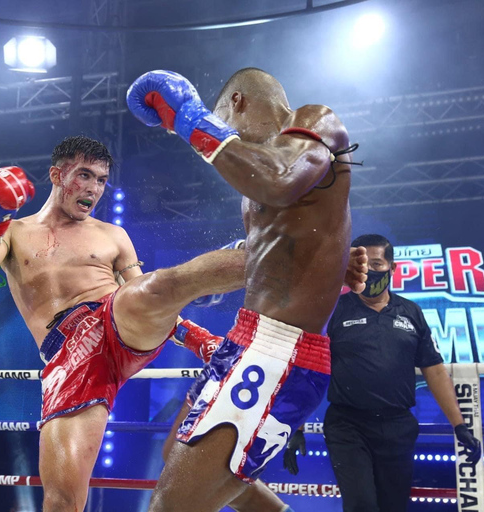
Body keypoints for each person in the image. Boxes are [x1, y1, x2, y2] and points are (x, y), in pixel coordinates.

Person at [0, 135, 250, 512]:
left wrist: (198, 341)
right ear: (57, 175)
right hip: (67, 360)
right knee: (62, 499)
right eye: (85, 175)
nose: (94, 189)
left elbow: (148, 298)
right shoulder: (15, 232)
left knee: (157, 286)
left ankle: (262, 258)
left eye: (101, 180)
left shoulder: (113, 235)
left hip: (114, 320)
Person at [127, 67, 364, 511]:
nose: (226, 139)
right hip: (248, 341)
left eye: (223, 123)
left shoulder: (317, 120)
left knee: (168, 506)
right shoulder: (258, 187)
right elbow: (284, 247)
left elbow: (278, 180)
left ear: (236, 103)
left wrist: (191, 120)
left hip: (278, 351)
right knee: (174, 461)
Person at [282, 234, 482, 512]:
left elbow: (434, 371)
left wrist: (460, 426)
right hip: (347, 426)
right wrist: (296, 427)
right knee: (361, 504)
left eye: (376, 263)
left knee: (394, 507)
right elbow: (309, 370)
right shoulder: (332, 311)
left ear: (392, 267)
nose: (369, 271)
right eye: (362, 265)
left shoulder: (411, 313)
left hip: (398, 427)